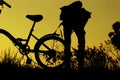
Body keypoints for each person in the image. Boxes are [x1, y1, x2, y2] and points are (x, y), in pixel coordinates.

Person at [59, 1, 91, 70]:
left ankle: (68, 66)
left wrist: (82, 27)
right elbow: (87, 16)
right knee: (80, 44)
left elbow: (62, 18)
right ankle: (79, 66)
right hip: (75, 24)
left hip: (68, 25)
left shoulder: (67, 9)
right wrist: (82, 27)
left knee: (67, 44)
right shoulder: (82, 12)